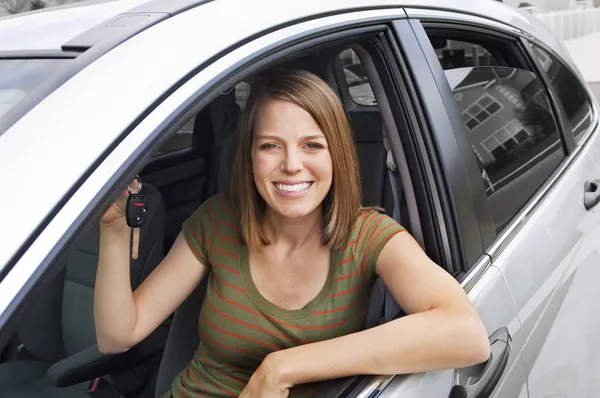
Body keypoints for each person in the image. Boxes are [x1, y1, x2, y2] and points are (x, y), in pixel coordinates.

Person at [94, 69, 490, 398]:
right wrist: (113, 230)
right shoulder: (217, 220)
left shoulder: (368, 235)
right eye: (270, 146)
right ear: (249, 156)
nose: (291, 165)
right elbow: (118, 335)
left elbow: (465, 333)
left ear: (337, 155)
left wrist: (283, 367)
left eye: (312, 145)